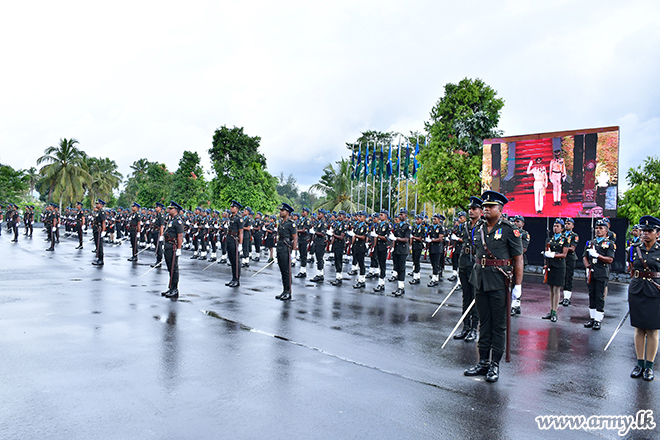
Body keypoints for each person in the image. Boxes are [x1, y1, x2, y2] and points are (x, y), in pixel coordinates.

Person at [464, 190, 523, 383]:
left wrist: (518, 286)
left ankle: (494, 365)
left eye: (491, 206)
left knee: (498, 325)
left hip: (499, 282)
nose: (486, 209)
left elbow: (518, 259)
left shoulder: (509, 229)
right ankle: (483, 362)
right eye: (485, 206)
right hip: (480, 280)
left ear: (500, 209)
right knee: (484, 322)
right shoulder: (479, 227)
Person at [628, 216, 660, 381]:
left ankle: (649, 366)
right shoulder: (634, 249)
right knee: (639, 329)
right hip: (637, 290)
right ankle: (639, 364)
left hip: (655, 291)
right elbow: (631, 269)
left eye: (649, 231)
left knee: (652, 330)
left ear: (657, 233)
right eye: (643, 230)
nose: (645, 233)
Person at [454, 197, 483, 342]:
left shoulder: (483, 226)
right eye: (470, 209)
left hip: (475, 263)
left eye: (474, 209)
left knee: (475, 297)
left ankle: (473, 329)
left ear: (481, 211)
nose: (471, 211)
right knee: (466, 296)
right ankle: (465, 327)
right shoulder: (465, 225)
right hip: (464, 261)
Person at [583, 219, 615, 331]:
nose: (598, 230)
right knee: (591, 295)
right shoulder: (590, 243)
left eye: (601, 228)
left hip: (602, 272)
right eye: (597, 228)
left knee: (599, 296)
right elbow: (584, 256)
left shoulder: (609, 244)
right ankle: (592, 318)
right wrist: (587, 267)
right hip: (591, 272)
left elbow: (610, 259)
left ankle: (598, 319)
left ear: (606, 231)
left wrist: (598, 256)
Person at [542, 219, 569, 322]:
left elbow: (564, 254)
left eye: (558, 226)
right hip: (551, 265)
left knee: (556, 289)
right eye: (554, 226)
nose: (555, 228)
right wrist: (545, 261)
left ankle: (555, 312)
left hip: (559, 266)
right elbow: (546, 251)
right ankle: (551, 309)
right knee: (551, 289)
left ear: (562, 228)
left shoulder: (565, 239)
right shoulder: (550, 239)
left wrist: (553, 255)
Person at [275, 203, 298, 300]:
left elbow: (295, 237)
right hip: (280, 247)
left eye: (282, 210)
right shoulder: (281, 223)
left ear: (287, 212)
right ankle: (284, 291)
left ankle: (288, 292)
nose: (281, 212)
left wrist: (294, 251)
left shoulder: (291, 223)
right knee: (282, 270)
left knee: (286, 270)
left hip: (286, 248)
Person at [161, 201, 184, 299]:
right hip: (168, 245)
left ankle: (175, 289)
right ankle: (170, 287)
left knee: (174, 268)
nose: (168, 210)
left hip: (173, 246)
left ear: (175, 210)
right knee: (170, 267)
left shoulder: (178, 221)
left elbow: (180, 236)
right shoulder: (171, 220)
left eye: (171, 208)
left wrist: (179, 248)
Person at [391, 208, 410, 296]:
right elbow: (394, 236)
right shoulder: (397, 225)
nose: (400, 216)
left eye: (402, 214)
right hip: (396, 249)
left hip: (403, 250)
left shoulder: (407, 226)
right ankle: (399, 287)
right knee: (397, 268)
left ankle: (401, 288)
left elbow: (406, 239)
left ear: (406, 215)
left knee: (402, 268)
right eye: (400, 214)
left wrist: (396, 239)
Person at [372, 210, 392, 293]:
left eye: (382, 215)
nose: (380, 216)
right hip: (378, 247)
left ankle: (381, 283)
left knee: (382, 265)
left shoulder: (387, 225)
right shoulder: (378, 225)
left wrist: (378, 236)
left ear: (386, 216)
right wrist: (374, 246)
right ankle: (380, 283)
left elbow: (387, 238)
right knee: (379, 263)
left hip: (383, 247)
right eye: (380, 215)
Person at [226, 201, 244, 288]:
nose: (231, 208)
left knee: (236, 260)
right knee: (231, 260)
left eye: (233, 207)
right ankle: (233, 278)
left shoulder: (239, 218)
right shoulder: (231, 217)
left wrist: (240, 244)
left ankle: (237, 279)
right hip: (229, 239)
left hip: (235, 240)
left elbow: (241, 232)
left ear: (237, 209)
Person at [562, 218, 579, 306]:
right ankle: (564, 296)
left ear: (572, 226)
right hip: (562, 258)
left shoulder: (574, 235)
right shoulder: (562, 235)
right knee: (563, 278)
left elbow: (572, 248)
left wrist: (563, 248)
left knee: (569, 277)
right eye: (566, 223)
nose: (566, 225)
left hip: (570, 258)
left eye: (569, 223)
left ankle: (567, 298)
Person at [427, 214, 445, 287]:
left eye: (435, 219)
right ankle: (435, 277)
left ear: (439, 220)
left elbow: (440, 239)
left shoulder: (441, 228)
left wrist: (431, 240)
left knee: (436, 264)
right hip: (431, 248)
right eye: (433, 219)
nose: (433, 220)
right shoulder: (431, 227)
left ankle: (434, 279)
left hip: (437, 248)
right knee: (433, 263)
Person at [310, 209, 328, 283]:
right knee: (318, 258)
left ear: (323, 215)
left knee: (320, 258)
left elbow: (323, 234)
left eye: (319, 214)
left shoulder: (324, 223)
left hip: (321, 242)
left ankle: (320, 275)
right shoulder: (318, 223)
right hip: (317, 242)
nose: (318, 215)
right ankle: (319, 274)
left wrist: (315, 232)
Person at [295, 207, 313, 278]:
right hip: (300, 238)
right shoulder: (300, 220)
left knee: (304, 255)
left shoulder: (307, 220)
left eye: (304, 212)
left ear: (307, 213)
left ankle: (303, 271)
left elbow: (303, 230)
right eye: (302, 211)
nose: (302, 213)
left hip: (305, 239)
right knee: (301, 255)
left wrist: (296, 231)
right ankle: (302, 271)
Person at [410, 214, 426, 285]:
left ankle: (417, 277)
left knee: (417, 261)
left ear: (421, 220)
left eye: (418, 219)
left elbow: (420, 238)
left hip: (418, 246)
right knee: (414, 260)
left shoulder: (422, 228)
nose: (416, 220)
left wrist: (413, 237)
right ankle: (415, 274)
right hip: (414, 246)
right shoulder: (414, 228)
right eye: (416, 219)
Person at [92, 199, 106, 265]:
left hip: (99, 230)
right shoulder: (98, 212)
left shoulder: (102, 212)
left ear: (101, 205)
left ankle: (101, 259)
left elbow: (103, 222)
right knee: (97, 244)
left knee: (99, 245)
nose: (96, 205)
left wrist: (103, 231)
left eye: (97, 204)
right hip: (96, 229)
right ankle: (98, 258)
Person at [151, 202, 166, 267]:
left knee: (159, 247)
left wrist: (161, 235)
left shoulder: (161, 215)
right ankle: (157, 260)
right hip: (155, 232)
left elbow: (162, 226)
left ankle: (159, 261)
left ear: (160, 208)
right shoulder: (157, 215)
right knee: (156, 246)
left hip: (158, 233)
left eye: (157, 207)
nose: (155, 208)